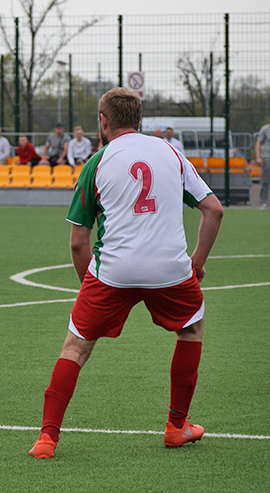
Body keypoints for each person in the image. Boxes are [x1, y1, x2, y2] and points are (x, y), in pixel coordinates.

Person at [27, 87, 224, 459]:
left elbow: (78, 242)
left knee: (75, 347)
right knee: (191, 329)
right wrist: (195, 264)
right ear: (139, 120)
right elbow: (214, 210)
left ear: (103, 121)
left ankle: (47, 439)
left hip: (114, 272)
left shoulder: (96, 163)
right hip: (170, 270)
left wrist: (89, 286)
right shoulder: (171, 153)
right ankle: (176, 427)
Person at [255, 112, 270, 210]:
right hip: (268, 157)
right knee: (265, 180)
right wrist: (258, 157)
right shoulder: (265, 129)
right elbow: (258, 143)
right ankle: (263, 202)